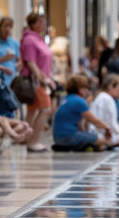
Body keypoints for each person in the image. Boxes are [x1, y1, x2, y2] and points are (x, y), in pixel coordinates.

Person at [20, 12, 55, 152]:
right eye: (39, 22)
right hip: (36, 81)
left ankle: (25, 138)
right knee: (45, 109)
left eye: (44, 22)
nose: (43, 25)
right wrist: (44, 80)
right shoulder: (29, 40)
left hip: (40, 80)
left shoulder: (38, 39)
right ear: (32, 24)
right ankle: (32, 142)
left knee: (33, 111)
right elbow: (31, 63)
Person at [52, 75, 113, 151]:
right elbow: (94, 120)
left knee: (88, 136)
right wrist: (107, 128)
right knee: (104, 141)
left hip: (58, 138)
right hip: (68, 137)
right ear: (80, 89)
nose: (87, 91)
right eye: (86, 88)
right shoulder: (79, 101)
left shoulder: (66, 99)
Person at [89, 74, 119, 146]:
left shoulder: (102, 96)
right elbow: (110, 123)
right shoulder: (106, 98)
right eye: (118, 89)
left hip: (101, 132)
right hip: (101, 133)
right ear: (111, 86)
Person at [0, 17, 21, 118]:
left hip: (12, 79)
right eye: (5, 26)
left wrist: (17, 66)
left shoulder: (14, 43)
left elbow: (19, 59)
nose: (7, 29)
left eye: (10, 26)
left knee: (11, 104)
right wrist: (4, 59)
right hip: (1, 79)